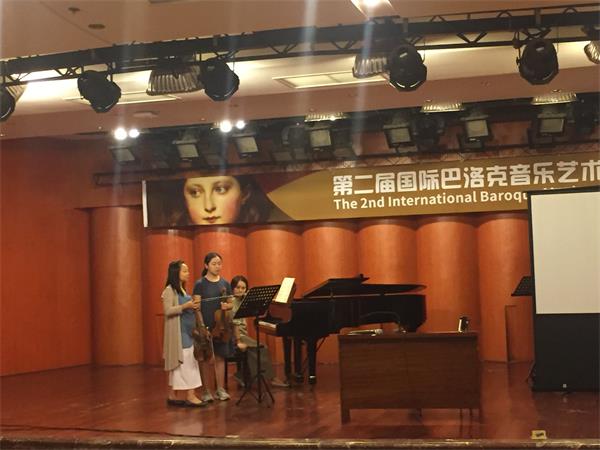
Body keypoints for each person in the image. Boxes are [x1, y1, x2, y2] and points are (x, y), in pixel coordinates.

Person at [230, 275, 290, 388]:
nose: (240, 290)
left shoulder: (242, 301)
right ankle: (271, 378)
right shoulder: (232, 303)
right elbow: (235, 325)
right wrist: (238, 342)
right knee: (262, 348)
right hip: (237, 336)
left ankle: (242, 374)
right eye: (237, 287)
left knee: (258, 348)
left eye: (243, 288)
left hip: (243, 335)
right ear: (232, 288)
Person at [161, 260, 205, 407]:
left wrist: (193, 305)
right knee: (187, 362)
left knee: (183, 363)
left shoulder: (182, 289)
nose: (188, 273)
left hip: (187, 330)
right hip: (179, 333)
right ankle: (190, 395)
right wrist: (185, 306)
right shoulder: (169, 290)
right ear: (176, 273)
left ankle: (172, 395)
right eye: (184, 271)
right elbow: (167, 310)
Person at [192, 252, 235, 402]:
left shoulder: (225, 283)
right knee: (205, 358)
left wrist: (227, 306)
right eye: (214, 264)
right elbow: (197, 307)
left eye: (219, 264)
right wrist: (202, 326)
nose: (217, 266)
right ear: (206, 265)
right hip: (206, 325)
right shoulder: (200, 284)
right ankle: (206, 391)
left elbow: (231, 303)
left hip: (221, 326)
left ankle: (220, 389)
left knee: (220, 357)